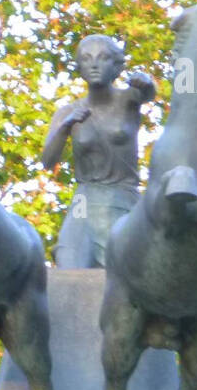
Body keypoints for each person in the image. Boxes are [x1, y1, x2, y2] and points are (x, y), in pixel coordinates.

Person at [40, 34, 156, 269]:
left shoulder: (129, 100)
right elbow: (47, 161)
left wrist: (146, 81)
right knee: (68, 260)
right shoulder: (67, 112)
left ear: (116, 66)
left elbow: (147, 92)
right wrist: (65, 127)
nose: (93, 64)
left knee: (129, 267)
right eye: (86, 58)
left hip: (122, 197)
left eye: (103, 58)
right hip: (84, 198)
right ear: (79, 67)